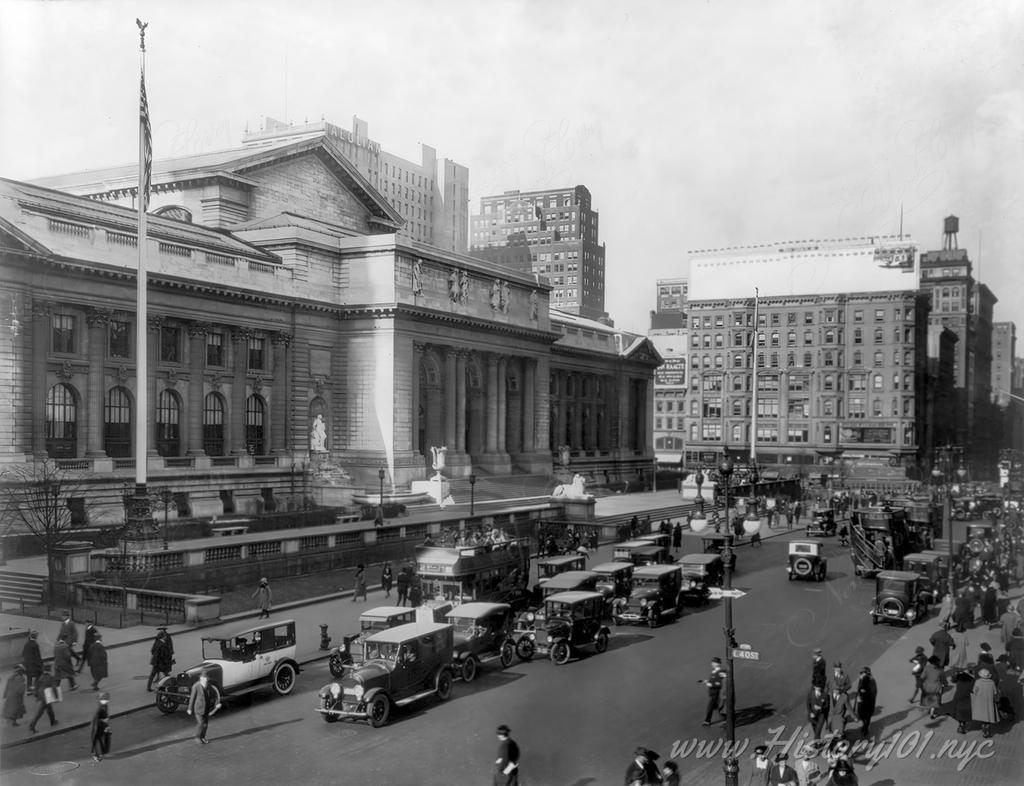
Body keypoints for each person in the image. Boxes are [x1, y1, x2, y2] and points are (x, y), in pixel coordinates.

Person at [186, 669, 220, 744]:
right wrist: (189, 708)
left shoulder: (209, 685)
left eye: (206, 678)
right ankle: (197, 737)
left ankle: (203, 737)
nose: (205, 679)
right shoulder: (196, 686)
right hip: (198, 709)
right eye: (203, 678)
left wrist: (217, 703)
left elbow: (215, 693)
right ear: (200, 678)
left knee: (205, 725)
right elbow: (192, 698)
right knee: (201, 723)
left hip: (206, 708)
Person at [938, 669, 975, 734]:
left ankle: (961, 724)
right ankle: (962, 725)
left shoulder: (960, 680)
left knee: (956, 711)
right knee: (966, 713)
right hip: (966, 699)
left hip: (957, 698)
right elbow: (974, 690)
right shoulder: (972, 681)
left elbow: (953, 680)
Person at [27, 663, 58, 734]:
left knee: (49, 708)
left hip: (42, 695)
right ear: (49, 669)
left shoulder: (41, 677)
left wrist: (36, 694)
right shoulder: (50, 677)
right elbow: (54, 687)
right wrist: (56, 696)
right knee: (40, 712)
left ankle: (53, 721)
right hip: (46, 696)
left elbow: (36, 686)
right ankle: (32, 726)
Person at [971, 668, 999, 738]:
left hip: (980, 702)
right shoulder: (992, 683)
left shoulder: (977, 682)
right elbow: (995, 692)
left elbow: (974, 691)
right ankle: (986, 727)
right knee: (989, 715)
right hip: (989, 702)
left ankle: (984, 726)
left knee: (982, 715)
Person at [147, 626, 175, 692]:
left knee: (153, 674)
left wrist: (154, 656)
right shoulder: (163, 643)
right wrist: (168, 660)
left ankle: (149, 687)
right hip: (160, 662)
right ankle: (171, 685)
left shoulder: (158, 640)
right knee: (166, 673)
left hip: (156, 662)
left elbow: (153, 650)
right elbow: (164, 654)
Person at [700, 657, 726, 726]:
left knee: (710, 707)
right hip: (711, 692)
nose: (712, 664)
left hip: (715, 692)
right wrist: (706, 681)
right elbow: (714, 680)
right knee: (716, 707)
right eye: (712, 662)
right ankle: (724, 716)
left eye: (714, 662)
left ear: (718, 664)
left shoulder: (721, 672)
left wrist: (711, 684)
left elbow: (721, 683)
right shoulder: (714, 671)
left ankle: (707, 721)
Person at [854, 667, 877, 740]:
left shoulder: (870, 680)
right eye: (861, 673)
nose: (861, 674)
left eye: (863, 673)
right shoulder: (862, 679)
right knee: (863, 715)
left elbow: (873, 692)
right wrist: (859, 695)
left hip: (868, 701)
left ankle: (865, 728)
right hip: (862, 701)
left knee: (867, 716)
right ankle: (865, 726)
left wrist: (863, 693)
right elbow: (859, 688)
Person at [90, 692, 111, 762]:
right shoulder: (100, 708)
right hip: (97, 727)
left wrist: (106, 723)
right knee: (97, 740)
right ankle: (97, 755)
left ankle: (102, 753)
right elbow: (96, 720)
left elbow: (105, 716)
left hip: (101, 726)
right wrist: (105, 723)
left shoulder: (104, 706)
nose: (106, 700)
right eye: (104, 698)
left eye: (106, 698)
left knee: (104, 738)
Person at [21, 630, 42, 695]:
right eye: (37, 636)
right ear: (35, 637)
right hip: (34, 664)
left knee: (29, 677)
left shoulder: (26, 644)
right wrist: (40, 664)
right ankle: (35, 688)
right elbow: (38, 656)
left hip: (27, 664)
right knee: (39, 674)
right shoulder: (35, 645)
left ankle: (29, 690)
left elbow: (23, 653)